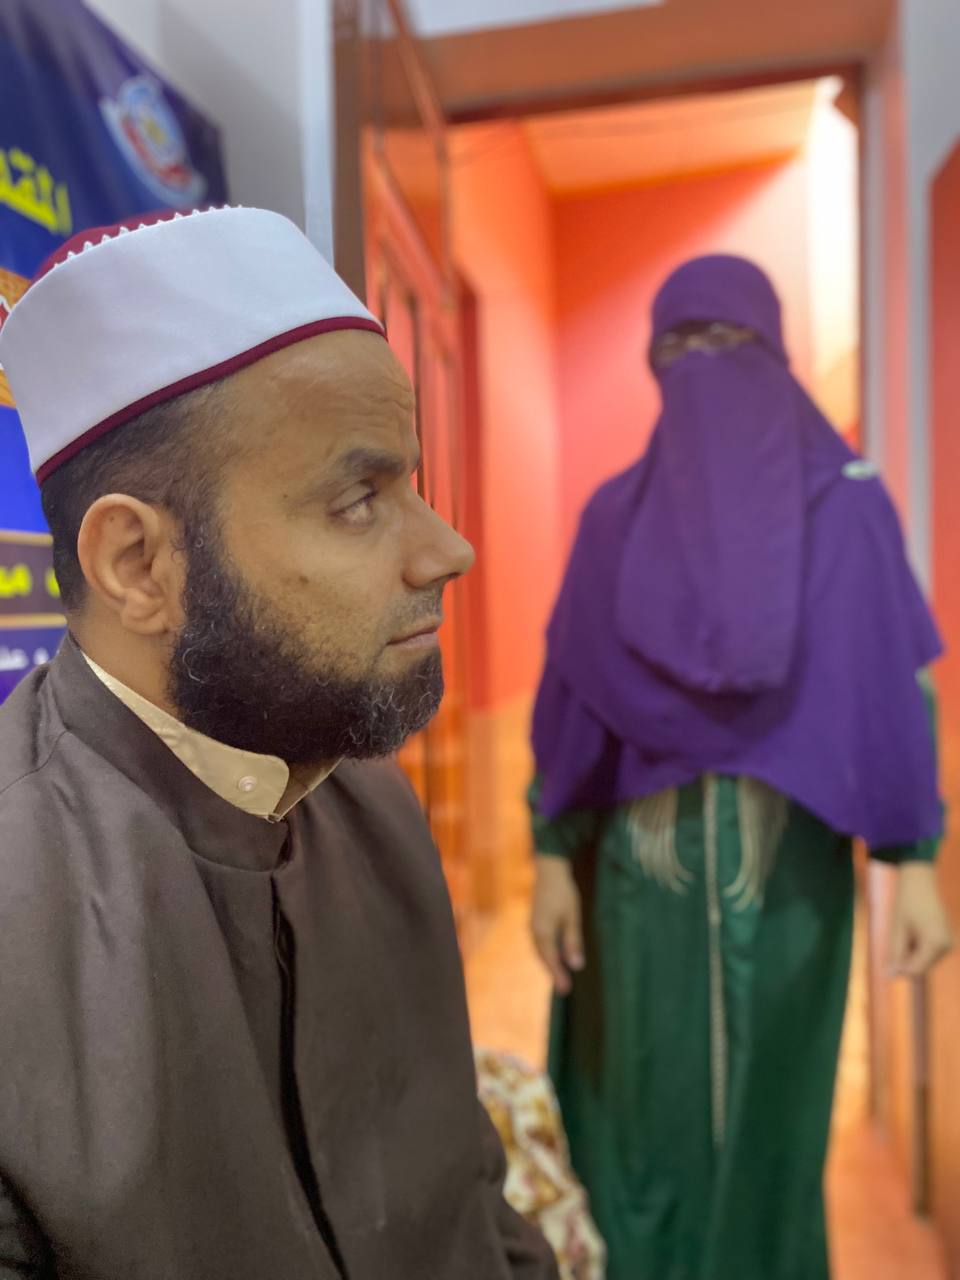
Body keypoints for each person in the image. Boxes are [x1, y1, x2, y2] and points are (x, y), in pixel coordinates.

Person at [0, 206, 559, 1280]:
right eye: (358, 501)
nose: (447, 549)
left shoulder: (375, 803)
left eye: (409, 484)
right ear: (136, 565)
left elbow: (470, 1201)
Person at [528, 254, 953, 1280]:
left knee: (775, 1120)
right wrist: (548, 858)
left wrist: (916, 860)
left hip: (789, 871)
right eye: (679, 346)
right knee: (641, 1116)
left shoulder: (846, 508)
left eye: (728, 342)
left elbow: (889, 683)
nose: (704, 365)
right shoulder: (614, 520)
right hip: (643, 876)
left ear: (774, 355)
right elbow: (573, 700)